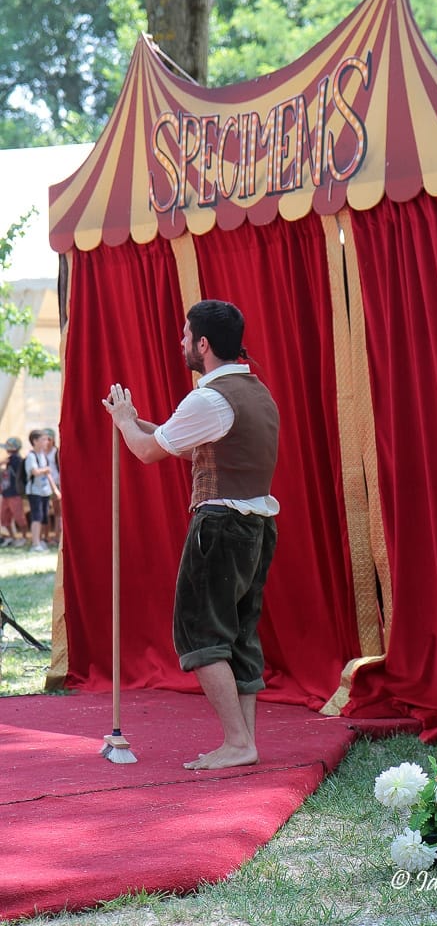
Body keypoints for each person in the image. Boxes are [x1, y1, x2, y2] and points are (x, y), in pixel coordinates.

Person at [102, 300, 279, 771]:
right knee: (239, 635)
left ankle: (239, 743)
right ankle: (245, 742)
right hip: (255, 526)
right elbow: (186, 447)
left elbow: (145, 453)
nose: (181, 344)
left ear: (203, 344)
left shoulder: (208, 398)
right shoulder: (255, 392)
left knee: (199, 633)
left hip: (220, 527)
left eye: (185, 336)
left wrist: (123, 420)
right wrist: (139, 422)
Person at [25, 430, 54, 552]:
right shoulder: (31, 456)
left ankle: (40, 540)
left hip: (44, 491)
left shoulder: (43, 455)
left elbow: (47, 474)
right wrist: (46, 470)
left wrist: (54, 490)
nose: (46, 442)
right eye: (43, 439)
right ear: (35, 441)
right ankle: (35, 543)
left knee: (43, 517)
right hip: (34, 491)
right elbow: (34, 472)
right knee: (36, 517)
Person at [0, 437, 28, 547]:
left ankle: (24, 538)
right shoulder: (8, 460)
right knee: (4, 517)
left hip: (15, 493)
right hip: (6, 493)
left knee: (19, 516)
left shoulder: (17, 460)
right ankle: (12, 537)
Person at [42, 428, 61, 547]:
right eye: (44, 439)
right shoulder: (40, 453)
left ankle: (57, 536)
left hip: (56, 484)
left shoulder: (56, 452)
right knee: (45, 512)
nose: (46, 441)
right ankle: (46, 536)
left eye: (48, 439)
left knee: (57, 512)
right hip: (43, 485)